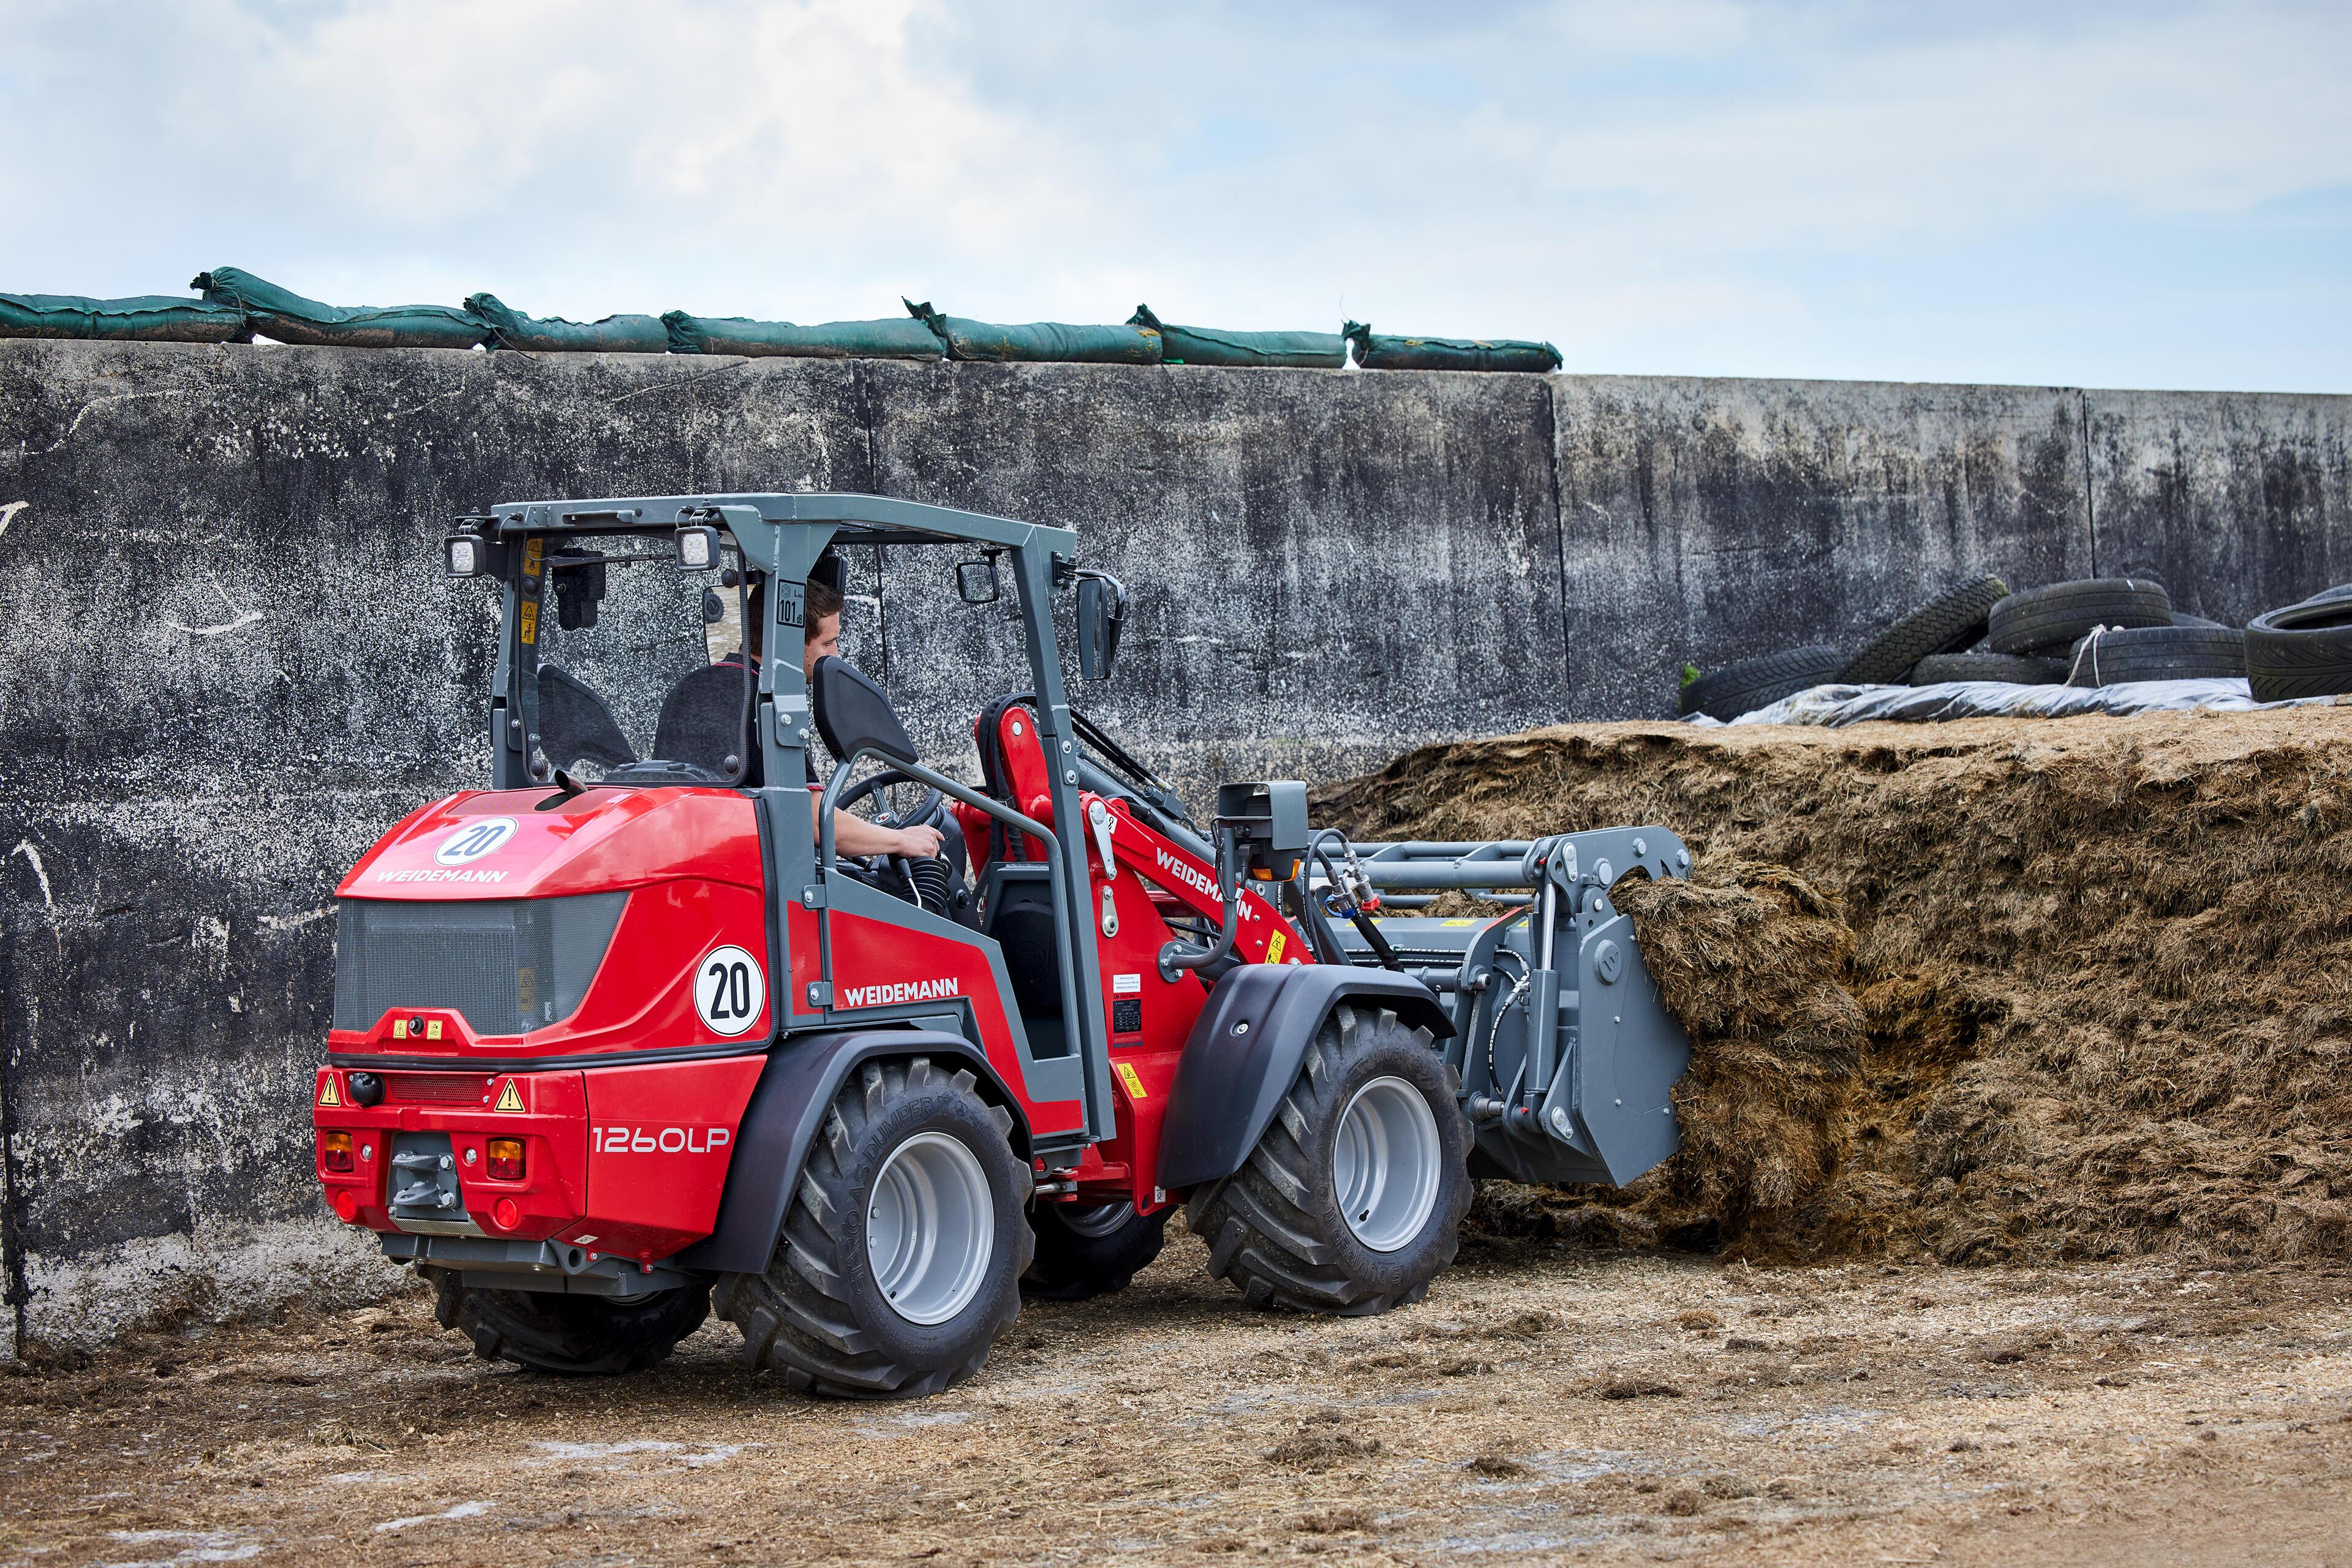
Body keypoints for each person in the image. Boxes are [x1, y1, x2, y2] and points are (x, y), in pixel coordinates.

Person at [740, 576, 944, 861]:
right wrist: (900, 839)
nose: (835, 654)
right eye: (829, 642)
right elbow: (810, 817)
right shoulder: (765, 705)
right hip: (767, 882)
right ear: (791, 642)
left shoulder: (701, 687)